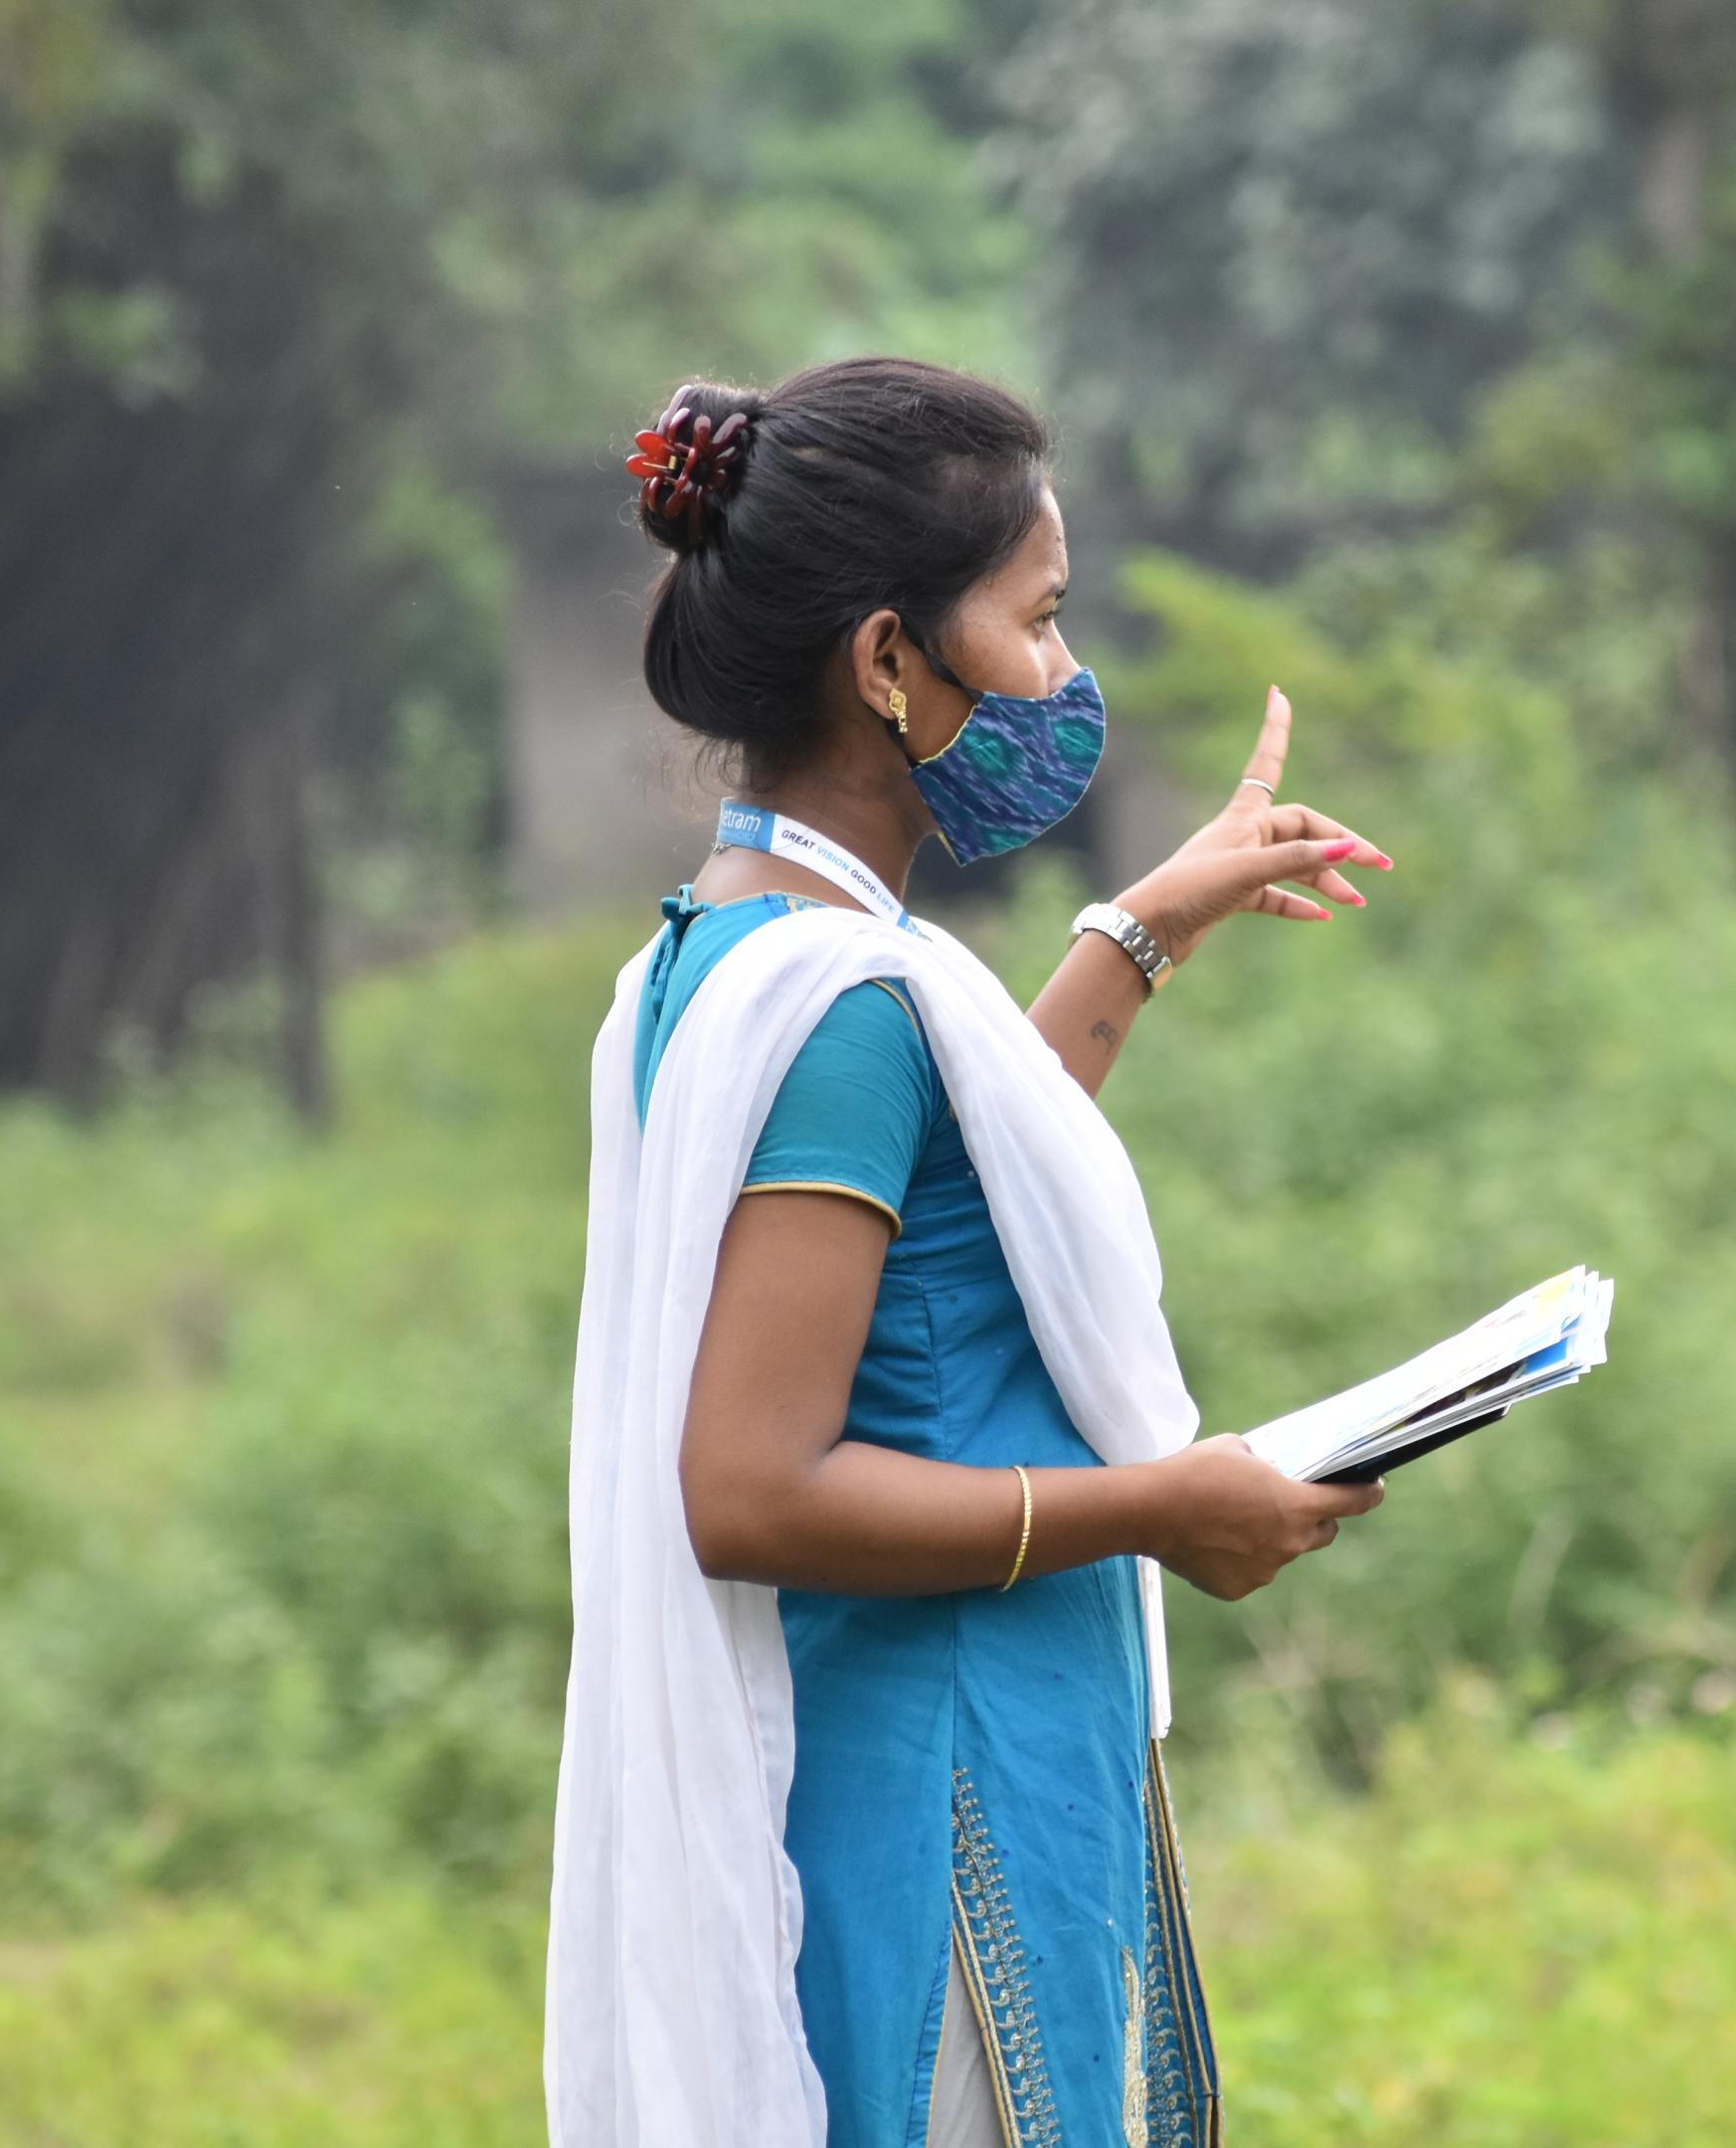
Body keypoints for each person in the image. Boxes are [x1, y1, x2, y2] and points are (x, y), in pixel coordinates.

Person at [544, 356, 1394, 2148]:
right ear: (885, 664)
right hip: (939, 1814)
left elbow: (959, 1172)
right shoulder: (839, 1000)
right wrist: (1167, 1503)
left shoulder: (727, 950)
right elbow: (749, 1488)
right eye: (1040, 622)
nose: (1067, 685)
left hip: (948, 1768)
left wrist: (1145, 923)